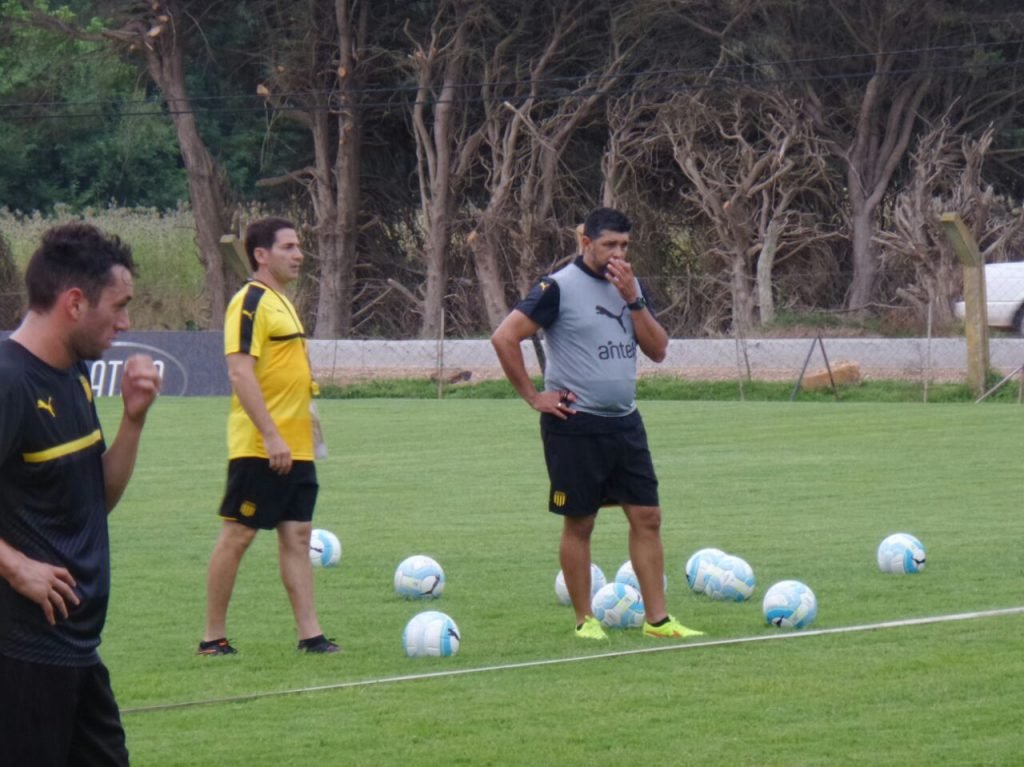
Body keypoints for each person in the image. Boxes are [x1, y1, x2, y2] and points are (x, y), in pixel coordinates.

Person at [491, 207, 704, 641]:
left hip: (625, 422)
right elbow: (505, 336)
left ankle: (658, 621)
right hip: (575, 424)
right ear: (584, 241)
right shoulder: (557, 288)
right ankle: (585, 619)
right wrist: (534, 396)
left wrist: (633, 298)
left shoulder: (631, 288)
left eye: (625, 245)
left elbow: (659, 350)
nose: (618, 253)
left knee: (648, 516)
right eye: (609, 244)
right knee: (580, 522)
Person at [0, 223, 162, 766]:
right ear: (74, 302)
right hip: (19, 655)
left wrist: (133, 422)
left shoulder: (76, 374)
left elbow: (96, 501)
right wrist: (15, 564)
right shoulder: (9, 382)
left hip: (76, 652)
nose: (126, 322)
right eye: (118, 306)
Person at [198, 217, 338, 656]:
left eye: (299, 246)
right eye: (289, 247)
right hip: (262, 445)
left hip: (297, 443)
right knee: (238, 535)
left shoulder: (283, 301)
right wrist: (271, 435)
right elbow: (240, 371)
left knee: (298, 535)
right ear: (261, 254)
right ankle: (212, 637)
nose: (299, 254)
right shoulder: (249, 302)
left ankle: (310, 635)